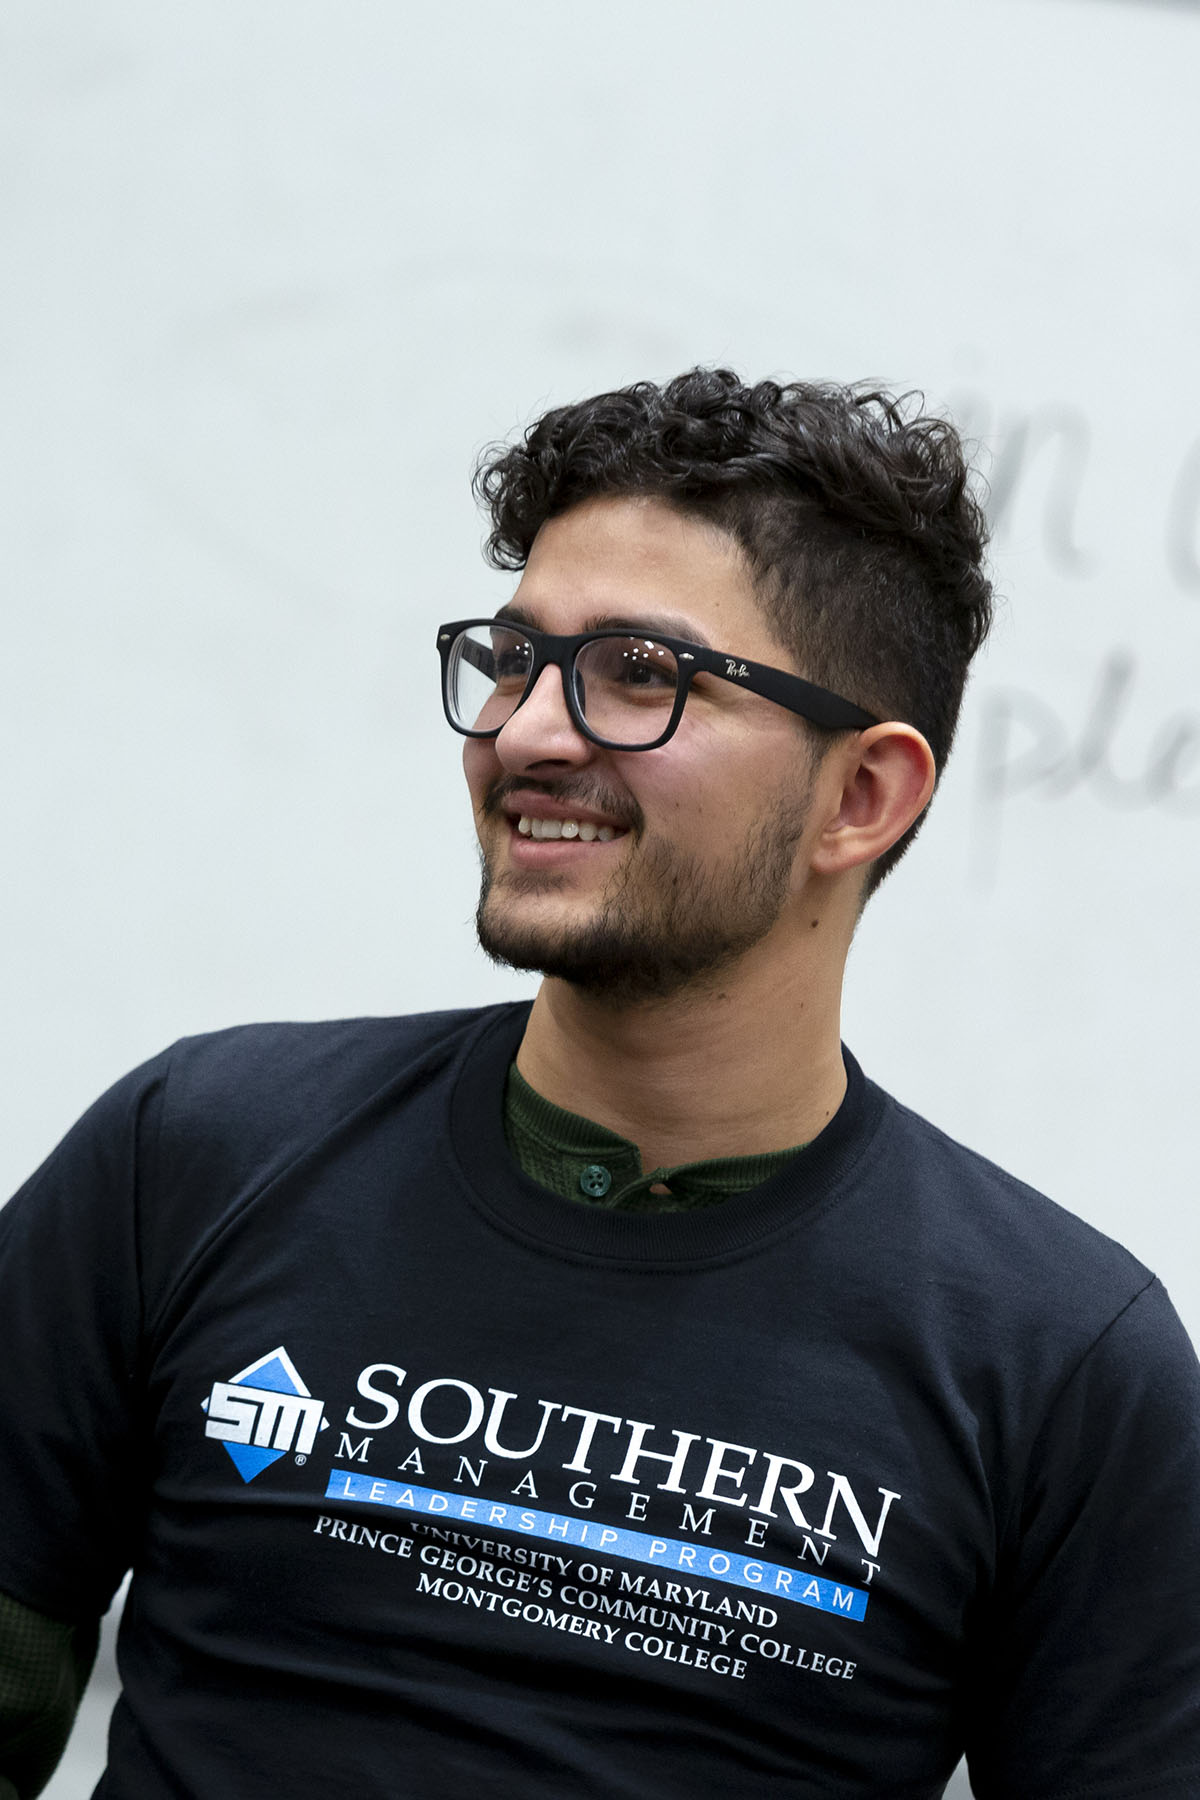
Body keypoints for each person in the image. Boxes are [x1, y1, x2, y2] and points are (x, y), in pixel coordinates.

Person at [1, 369, 1197, 1800]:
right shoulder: (196, 1150)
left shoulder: (1061, 1366)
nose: (526, 731)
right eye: (514, 660)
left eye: (641, 673)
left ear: (863, 796)